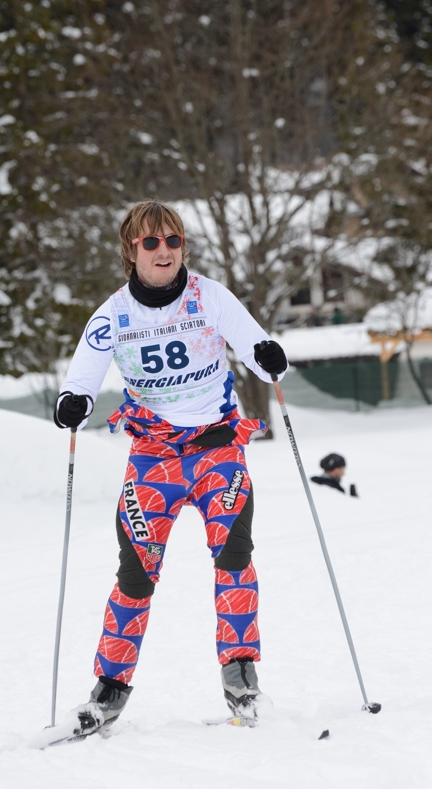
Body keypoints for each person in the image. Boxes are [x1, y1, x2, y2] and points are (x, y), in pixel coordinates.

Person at [54, 200, 288, 737]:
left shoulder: (210, 296)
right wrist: (73, 402)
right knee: (136, 575)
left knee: (234, 559)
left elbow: (256, 345)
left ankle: (241, 679)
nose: (165, 251)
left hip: (216, 449)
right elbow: (81, 378)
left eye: (174, 240)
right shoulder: (113, 315)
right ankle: (108, 692)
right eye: (152, 242)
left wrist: (268, 356)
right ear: (131, 250)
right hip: (154, 458)